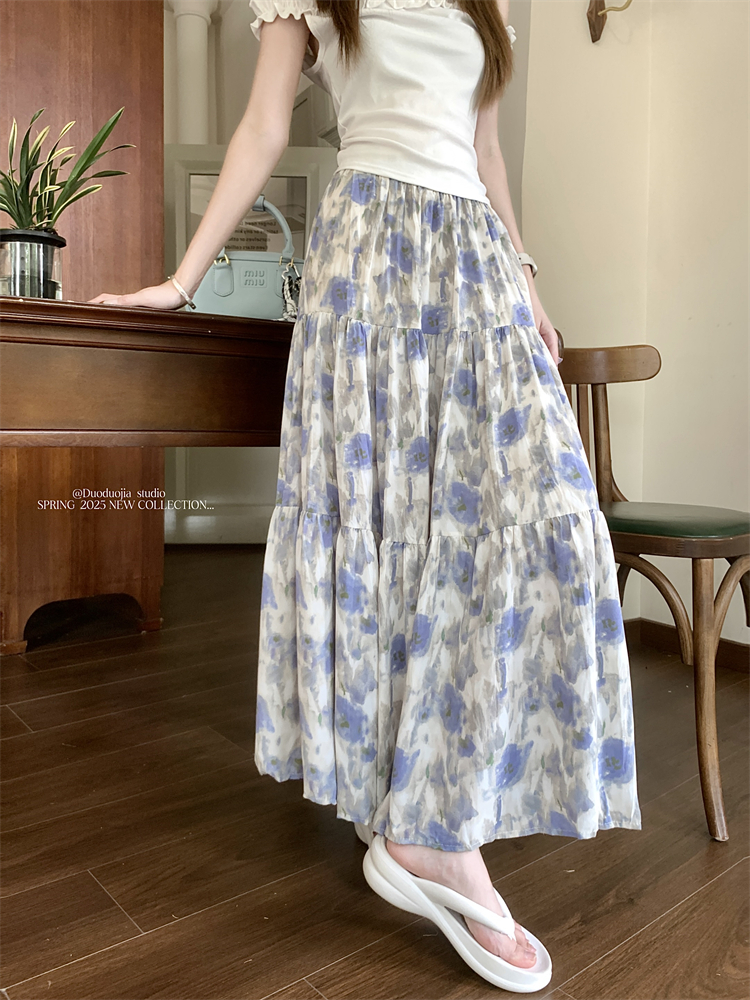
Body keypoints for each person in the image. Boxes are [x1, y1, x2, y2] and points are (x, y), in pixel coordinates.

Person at [90, 0, 641, 990]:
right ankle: (424, 826)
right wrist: (182, 279)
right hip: (368, 258)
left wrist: (527, 277)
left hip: (475, 260)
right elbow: (264, 127)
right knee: (385, 525)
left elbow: (486, 151)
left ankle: (427, 810)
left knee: (544, 514)